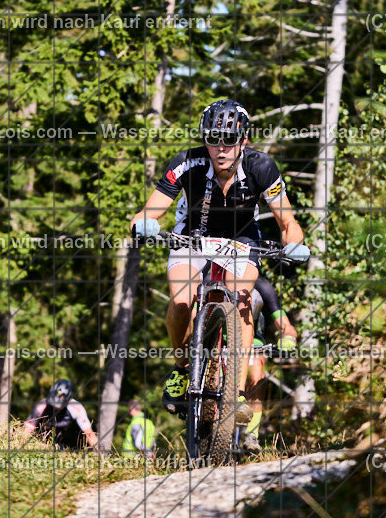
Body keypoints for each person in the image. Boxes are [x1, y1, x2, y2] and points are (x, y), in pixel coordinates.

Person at [128, 99, 309, 422]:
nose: (220, 147)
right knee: (182, 301)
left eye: (229, 139)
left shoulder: (262, 168)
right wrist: (142, 224)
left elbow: (288, 223)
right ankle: (183, 367)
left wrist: (294, 243)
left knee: (240, 300)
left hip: (241, 239)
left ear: (244, 140)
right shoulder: (187, 162)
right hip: (192, 234)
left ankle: (236, 394)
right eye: (212, 139)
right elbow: (149, 210)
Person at [241, 276, 299, 452]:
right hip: (217, 342)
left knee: (257, 371)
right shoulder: (210, 276)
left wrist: (288, 337)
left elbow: (285, 325)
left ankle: (252, 433)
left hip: (253, 342)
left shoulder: (261, 286)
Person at [24, 379, 99, 449]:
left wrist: (99, 452)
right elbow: (26, 432)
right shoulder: (41, 406)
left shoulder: (76, 408)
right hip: (40, 442)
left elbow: (90, 434)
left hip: (65, 443)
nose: (55, 408)